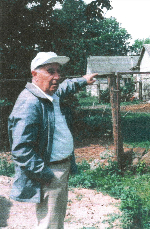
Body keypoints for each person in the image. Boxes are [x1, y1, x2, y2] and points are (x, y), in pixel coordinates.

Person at [8, 52, 97, 229]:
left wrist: (83, 80)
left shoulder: (48, 95)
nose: (57, 76)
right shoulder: (30, 103)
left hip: (59, 168)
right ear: (35, 74)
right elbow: (21, 150)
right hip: (50, 171)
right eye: (51, 71)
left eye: (58, 71)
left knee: (55, 221)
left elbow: (65, 87)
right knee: (50, 224)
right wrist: (46, 175)